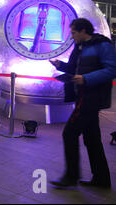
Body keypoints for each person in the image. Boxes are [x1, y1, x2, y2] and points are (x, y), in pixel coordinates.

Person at [49, 18, 116, 189]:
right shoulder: (80, 47)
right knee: (92, 139)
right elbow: (75, 69)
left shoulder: (102, 45)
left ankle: (71, 176)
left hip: (90, 98)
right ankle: (101, 179)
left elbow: (111, 70)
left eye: (73, 33)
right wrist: (60, 65)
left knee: (69, 133)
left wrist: (85, 79)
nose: (72, 36)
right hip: (83, 97)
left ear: (83, 31)